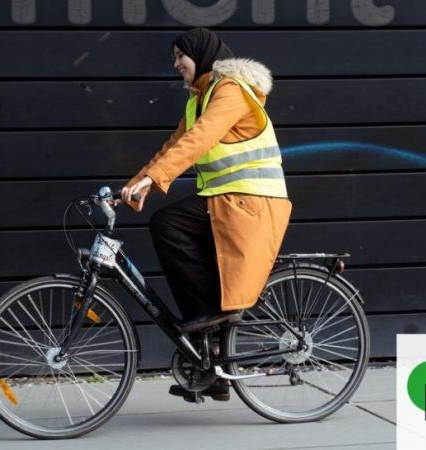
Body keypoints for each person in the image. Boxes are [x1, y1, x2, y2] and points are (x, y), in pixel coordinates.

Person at [120, 28, 292, 401]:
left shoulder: (229, 90)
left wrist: (152, 180)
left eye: (180, 55)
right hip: (227, 201)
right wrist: (135, 186)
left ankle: (205, 318)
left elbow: (200, 139)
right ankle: (213, 364)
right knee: (175, 233)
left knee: (168, 225)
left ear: (201, 54)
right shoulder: (198, 100)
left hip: (251, 201)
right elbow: (176, 145)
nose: (176, 64)